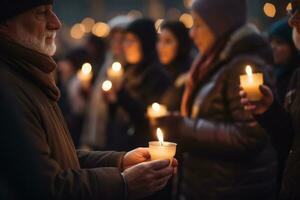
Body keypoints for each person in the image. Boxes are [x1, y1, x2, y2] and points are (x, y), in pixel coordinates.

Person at [0, 1, 177, 199]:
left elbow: (58, 158)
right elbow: (45, 188)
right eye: (41, 13)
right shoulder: (9, 86)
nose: (56, 23)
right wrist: (123, 182)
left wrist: (120, 160)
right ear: (5, 22)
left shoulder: (26, 77)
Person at [153, 0, 277, 199]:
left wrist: (184, 127)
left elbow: (250, 136)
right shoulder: (212, 62)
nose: (192, 33)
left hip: (232, 188)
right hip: (211, 183)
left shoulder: (242, 65)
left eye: (198, 25)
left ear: (220, 25)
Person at [239, 1, 300, 199]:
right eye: (293, 10)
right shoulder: (297, 76)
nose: (293, 20)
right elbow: (290, 144)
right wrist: (269, 111)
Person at [103, 18, 171, 151]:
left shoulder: (158, 76)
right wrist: (111, 100)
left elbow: (147, 118)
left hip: (142, 150)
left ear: (145, 43)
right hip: (120, 146)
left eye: (132, 40)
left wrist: (120, 94)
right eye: (125, 40)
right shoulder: (127, 71)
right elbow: (117, 116)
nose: (125, 45)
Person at [157, 21, 193, 111]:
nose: (161, 46)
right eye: (159, 40)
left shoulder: (188, 77)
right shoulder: (157, 72)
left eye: (167, 41)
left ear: (180, 44)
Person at [268, 18, 300, 105]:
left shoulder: (295, 76)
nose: (273, 47)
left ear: (293, 46)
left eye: (279, 42)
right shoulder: (271, 73)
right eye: (271, 42)